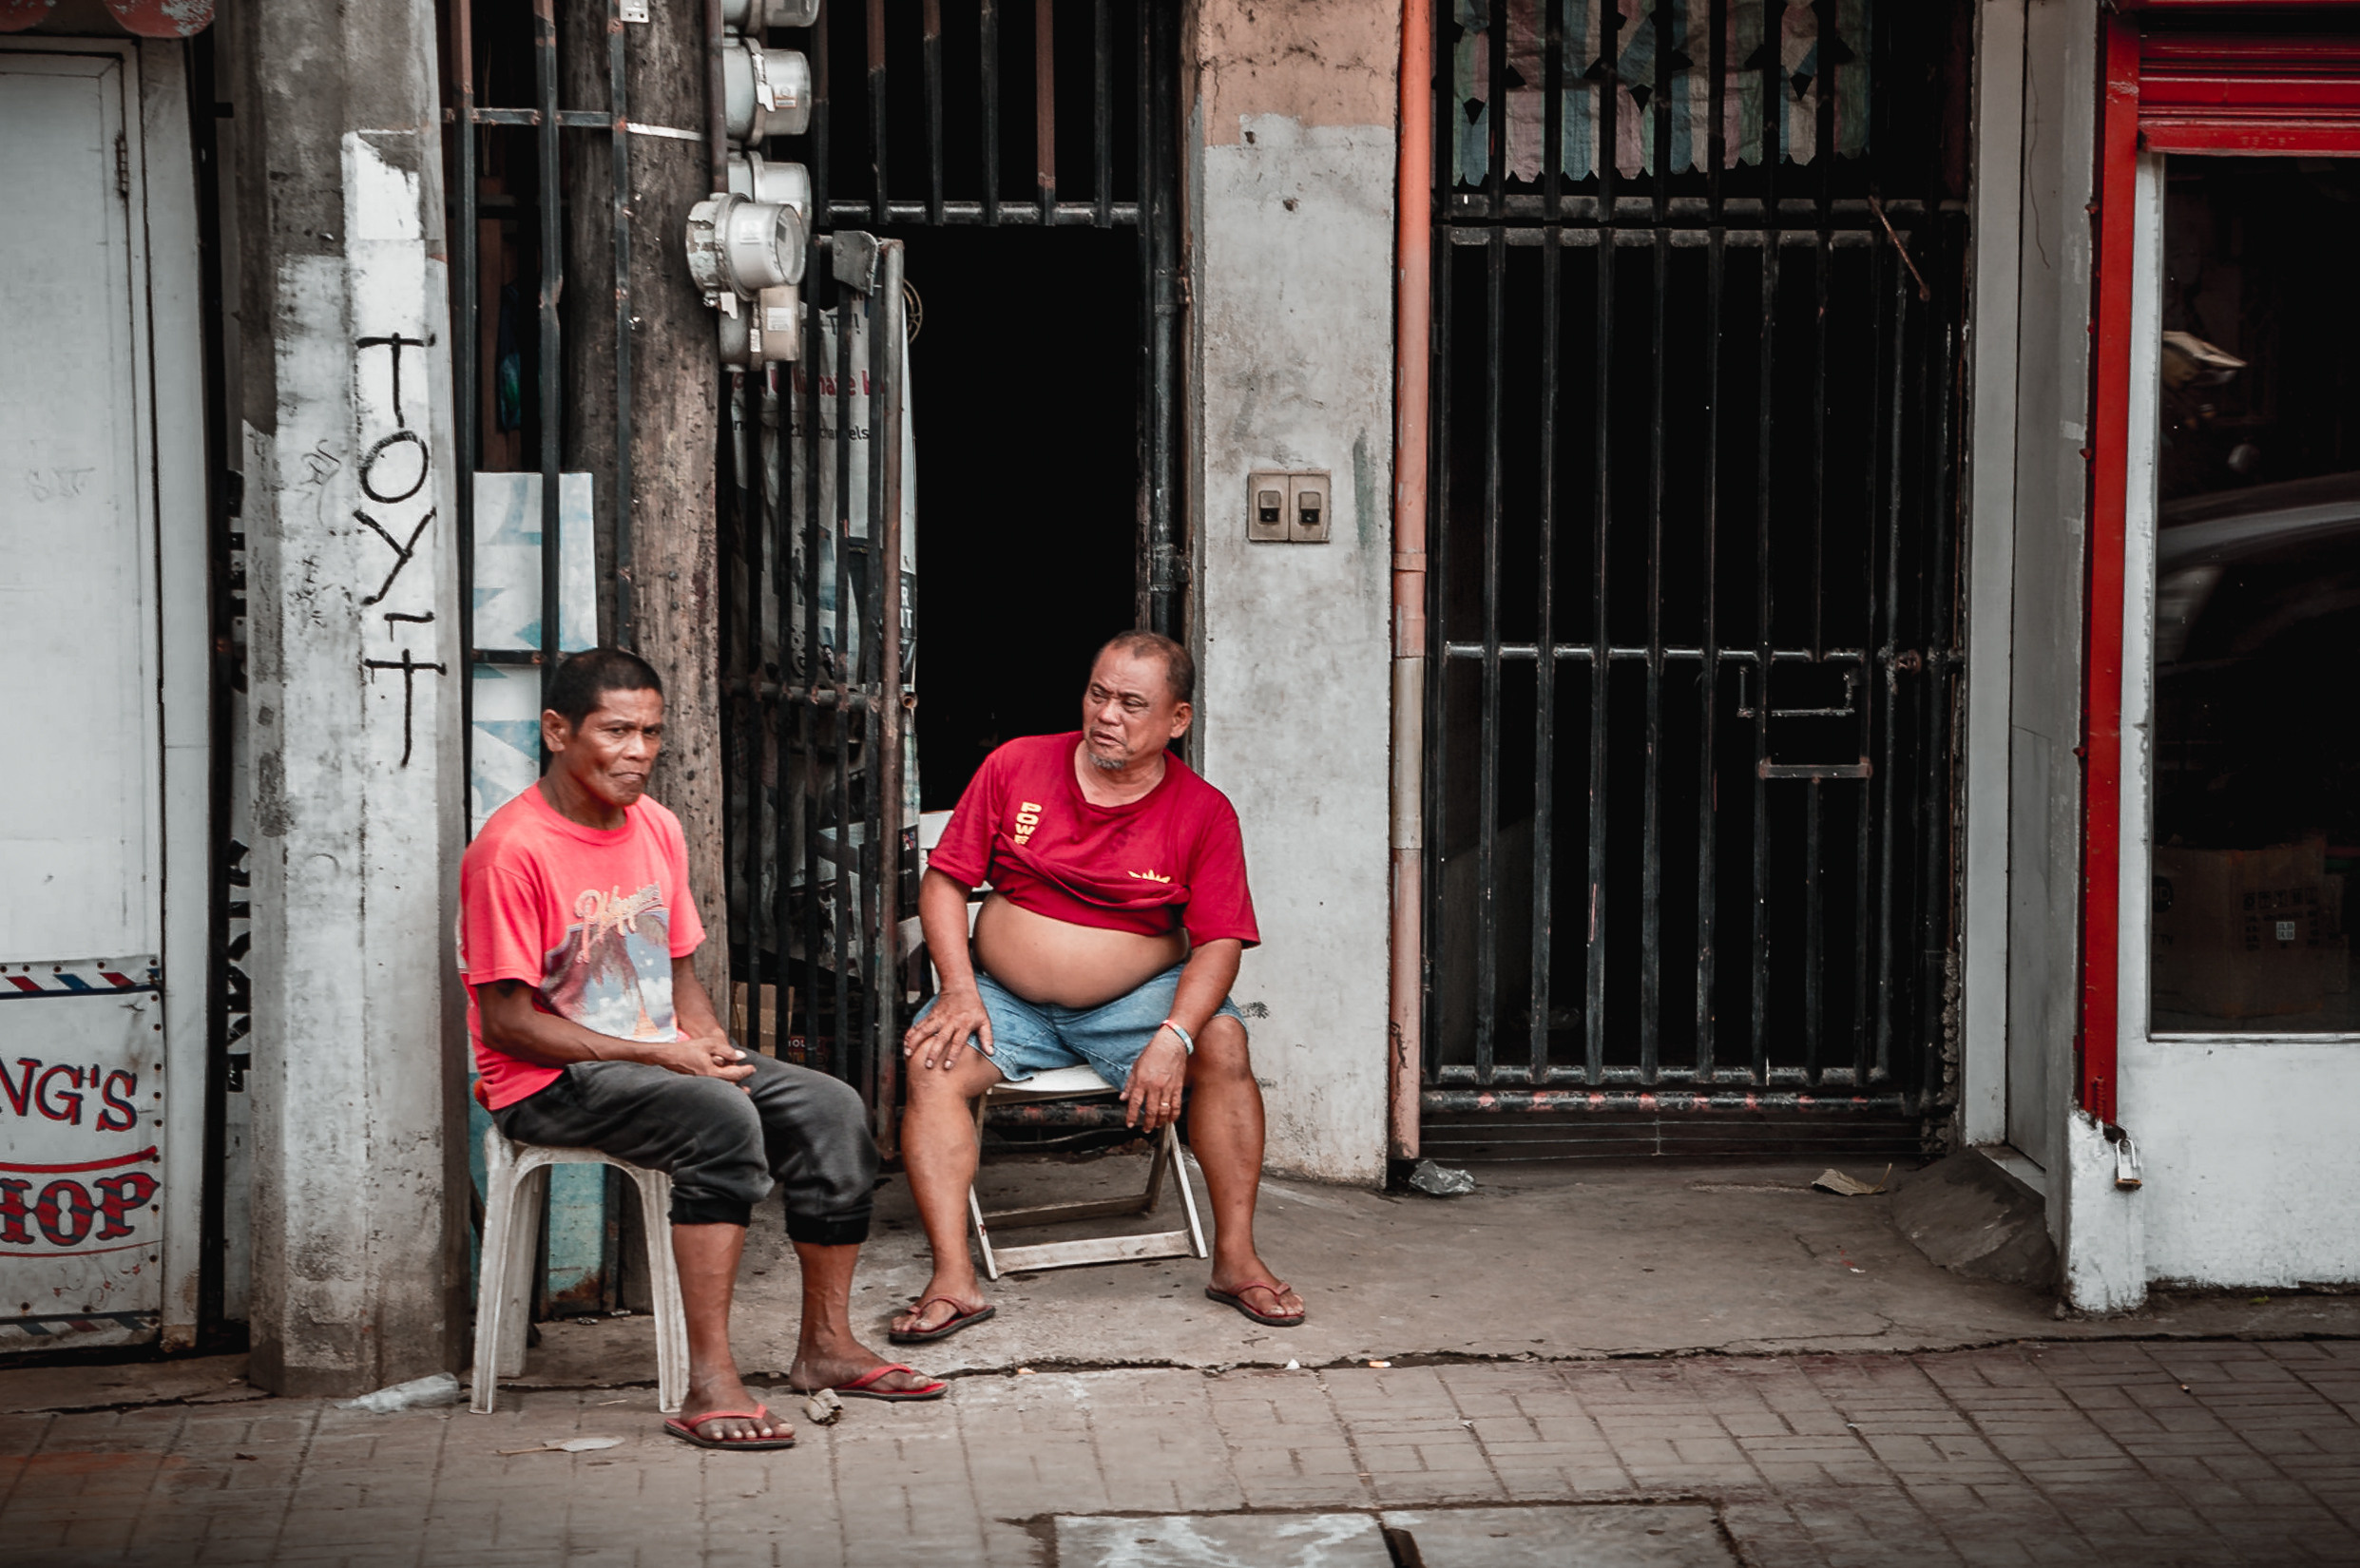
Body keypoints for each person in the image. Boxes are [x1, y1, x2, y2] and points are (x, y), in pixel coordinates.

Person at [460, 647, 941, 1450]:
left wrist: (708, 1042)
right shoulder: (511, 851)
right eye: (616, 732)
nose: (638, 752)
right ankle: (710, 1381)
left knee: (830, 1108)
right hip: (550, 1079)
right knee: (720, 1121)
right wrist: (659, 1059)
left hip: (658, 1060)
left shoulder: (657, 826)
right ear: (556, 731)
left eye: (651, 732)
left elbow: (678, 970)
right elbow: (507, 1023)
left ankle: (824, 1347)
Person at [891, 631, 1305, 1342]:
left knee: (1223, 1041)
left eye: (1131, 703)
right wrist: (956, 986)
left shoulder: (1203, 812)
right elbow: (945, 880)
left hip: (1134, 1004)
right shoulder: (1016, 764)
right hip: (1003, 999)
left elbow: (1219, 943)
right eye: (1098, 694)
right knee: (933, 1060)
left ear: (1176, 720)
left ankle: (1234, 1258)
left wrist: (1174, 1036)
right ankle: (952, 1278)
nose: (1107, 715)